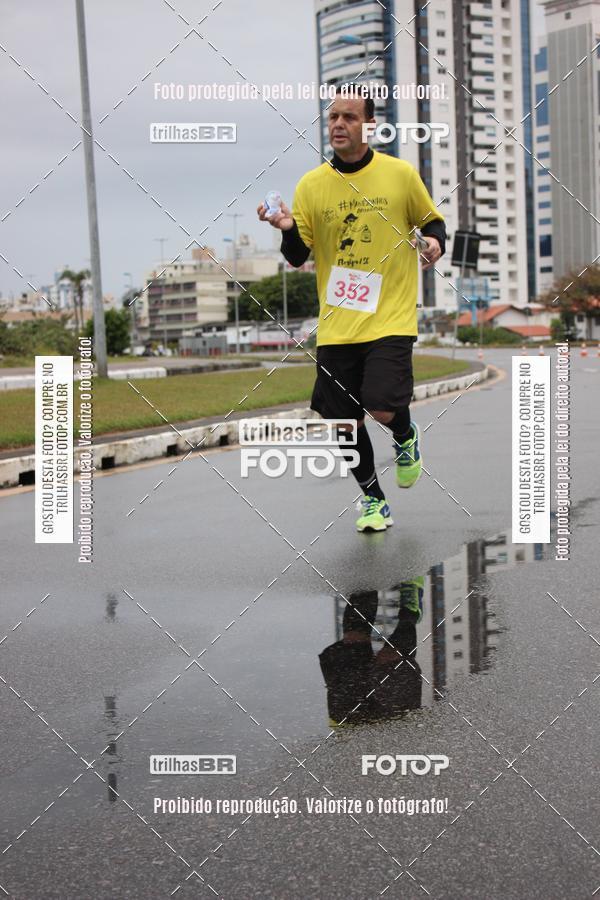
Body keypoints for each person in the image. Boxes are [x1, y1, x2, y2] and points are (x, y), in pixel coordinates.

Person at [258, 85, 446, 532]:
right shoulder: (312, 185)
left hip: (390, 316)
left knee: (381, 408)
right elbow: (298, 255)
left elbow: (431, 220)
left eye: (348, 117)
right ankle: (374, 501)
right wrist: (285, 226)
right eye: (332, 117)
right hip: (339, 322)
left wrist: (436, 241)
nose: (338, 125)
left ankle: (404, 434)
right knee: (343, 422)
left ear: (369, 125)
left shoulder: (399, 175)